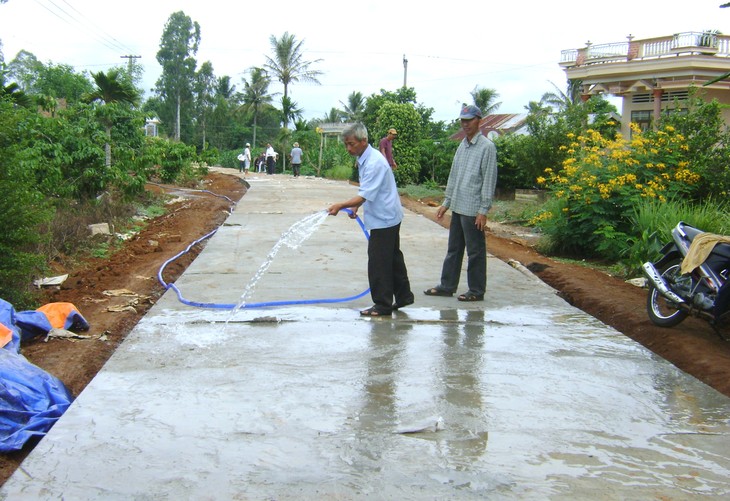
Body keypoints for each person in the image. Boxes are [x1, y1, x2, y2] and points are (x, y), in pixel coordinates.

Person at [327, 123, 414, 317]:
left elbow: (365, 193)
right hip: (388, 214)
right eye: (346, 145)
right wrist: (355, 205)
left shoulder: (374, 162)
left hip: (385, 217)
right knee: (392, 257)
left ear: (363, 141)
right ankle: (404, 296)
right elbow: (366, 190)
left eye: (351, 144)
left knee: (379, 261)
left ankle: (382, 305)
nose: (348, 148)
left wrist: (341, 205)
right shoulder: (365, 158)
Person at [424, 104, 497, 302]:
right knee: (454, 249)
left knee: (475, 252)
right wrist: (446, 203)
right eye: (463, 121)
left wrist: (483, 210)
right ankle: (447, 286)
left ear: (478, 121)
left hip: (473, 209)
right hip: (457, 205)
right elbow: (454, 176)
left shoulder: (487, 148)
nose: (465, 124)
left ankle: (476, 290)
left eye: (469, 120)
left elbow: (489, 180)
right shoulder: (462, 145)